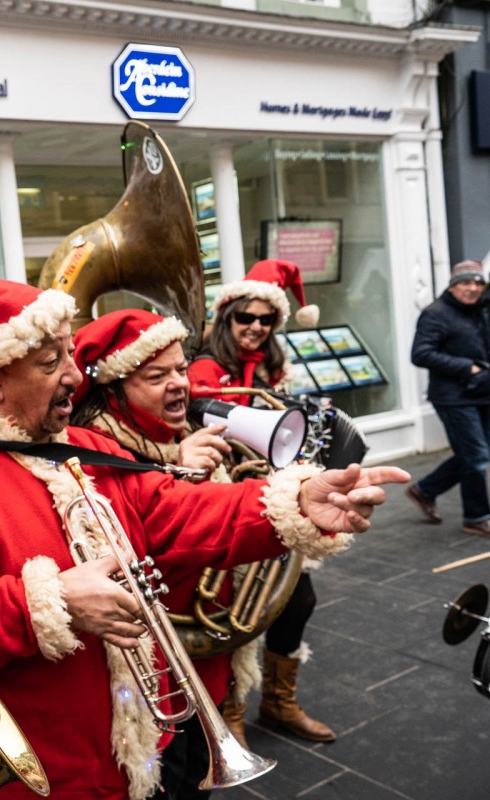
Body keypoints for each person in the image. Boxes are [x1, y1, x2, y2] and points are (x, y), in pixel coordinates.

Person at [0, 275, 407, 800]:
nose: (72, 376)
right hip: (36, 770)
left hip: (131, 751)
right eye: (50, 364)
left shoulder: (83, 447)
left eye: (68, 356)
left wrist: (294, 503)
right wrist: (50, 602)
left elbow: (182, 511)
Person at [69, 308, 253, 799]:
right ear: (114, 388)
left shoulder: (178, 429)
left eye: (180, 369)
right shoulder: (97, 450)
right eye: (156, 376)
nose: (179, 385)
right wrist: (173, 465)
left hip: (203, 650)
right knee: (168, 778)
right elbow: (145, 529)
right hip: (155, 670)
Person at [187, 259, 337, 745]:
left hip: (276, 494)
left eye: (265, 320)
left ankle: (278, 701)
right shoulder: (205, 370)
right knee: (241, 608)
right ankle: (232, 708)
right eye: (244, 318)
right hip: (228, 494)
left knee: (296, 600)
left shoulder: (272, 368)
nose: (254, 327)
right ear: (225, 317)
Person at [406, 260, 490, 538]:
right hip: (453, 397)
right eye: (466, 283)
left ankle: (425, 489)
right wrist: (468, 367)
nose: (472, 288)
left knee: (476, 453)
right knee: (476, 456)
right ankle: (476, 517)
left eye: (478, 283)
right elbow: (420, 354)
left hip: (481, 392)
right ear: (453, 286)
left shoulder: (480, 310)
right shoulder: (436, 314)